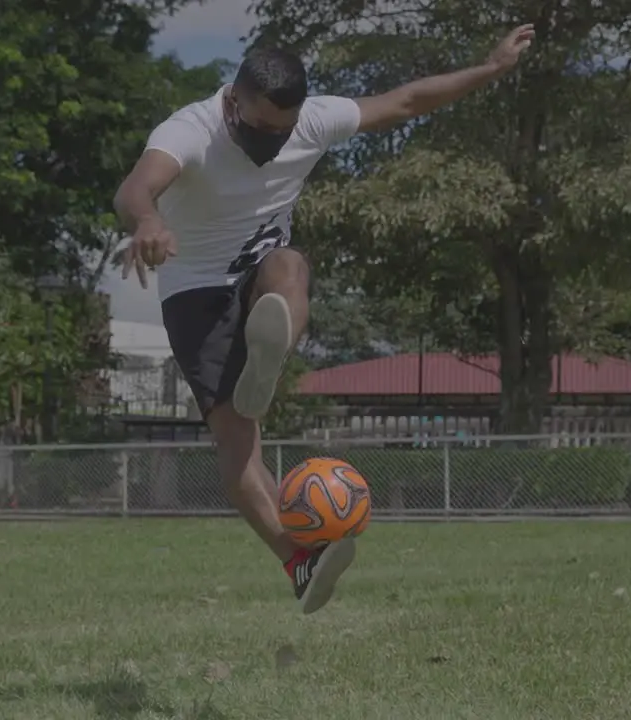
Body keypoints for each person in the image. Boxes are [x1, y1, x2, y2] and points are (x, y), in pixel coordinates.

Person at [113, 25, 535, 614]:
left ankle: (271, 351)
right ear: (233, 101)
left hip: (260, 268)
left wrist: (489, 69)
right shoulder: (190, 130)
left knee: (289, 264)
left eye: (280, 133)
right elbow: (136, 186)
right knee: (239, 449)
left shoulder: (311, 119)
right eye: (258, 128)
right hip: (196, 292)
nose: (269, 142)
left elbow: (406, 102)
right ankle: (299, 559)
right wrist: (148, 221)